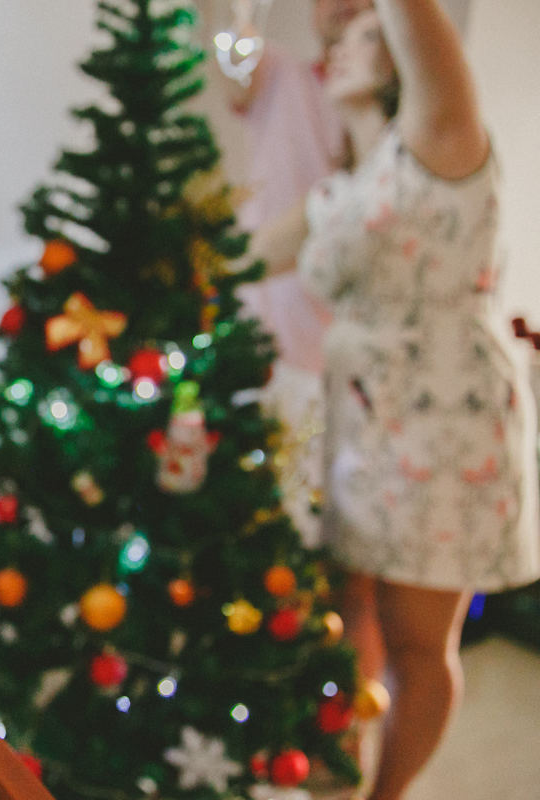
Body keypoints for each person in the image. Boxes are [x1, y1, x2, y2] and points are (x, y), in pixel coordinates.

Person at [247, 1, 540, 798]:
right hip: (360, 437)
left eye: (362, 36)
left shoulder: (444, 140)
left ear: (407, 61)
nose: (337, 46)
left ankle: (389, 794)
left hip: (444, 440)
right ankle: (339, 773)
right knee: (350, 617)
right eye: (334, 39)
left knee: (419, 643)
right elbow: (238, 258)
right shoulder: (342, 190)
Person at [218, 0, 371, 545]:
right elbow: (232, 63)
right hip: (265, 330)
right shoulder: (281, 74)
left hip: (341, 360)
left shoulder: (392, 144)